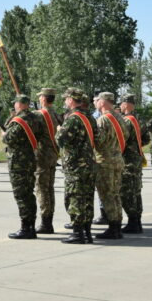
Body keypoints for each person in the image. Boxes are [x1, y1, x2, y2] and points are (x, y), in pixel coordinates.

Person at [3, 94, 47, 239]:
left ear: (20, 104)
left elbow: (8, 139)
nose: (14, 105)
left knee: (21, 195)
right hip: (30, 159)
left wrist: (4, 134)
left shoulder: (18, 120)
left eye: (15, 103)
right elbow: (40, 134)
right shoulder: (36, 118)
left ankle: (26, 228)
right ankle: (31, 226)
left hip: (18, 162)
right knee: (29, 193)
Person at [58, 89, 98, 244]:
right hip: (89, 163)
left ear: (72, 100)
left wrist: (59, 131)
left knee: (74, 199)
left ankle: (77, 233)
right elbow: (97, 137)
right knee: (87, 198)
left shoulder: (73, 119)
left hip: (76, 166)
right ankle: (87, 232)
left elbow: (62, 139)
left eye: (66, 99)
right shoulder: (89, 117)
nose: (65, 101)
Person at [93, 93, 125, 240]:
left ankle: (113, 227)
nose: (96, 102)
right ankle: (117, 225)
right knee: (116, 193)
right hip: (118, 158)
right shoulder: (119, 117)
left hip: (105, 161)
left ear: (103, 102)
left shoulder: (103, 119)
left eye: (97, 100)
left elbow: (99, 142)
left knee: (107, 195)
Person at [34, 88, 62, 234]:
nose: (39, 100)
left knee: (42, 189)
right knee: (49, 188)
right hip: (53, 155)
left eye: (40, 97)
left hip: (42, 156)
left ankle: (46, 223)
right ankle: (48, 220)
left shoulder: (39, 115)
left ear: (44, 99)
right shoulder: (56, 115)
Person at [119, 94, 147, 234]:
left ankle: (133, 222)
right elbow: (146, 138)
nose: (120, 106)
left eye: (122, 103)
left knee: (126, 191)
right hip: (136, 158)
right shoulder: (138, 119)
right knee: (136, 191)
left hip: (127, 160)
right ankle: (137, 221)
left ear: (126, 104)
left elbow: (120, 141)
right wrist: (136, 146)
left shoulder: (126, 121)